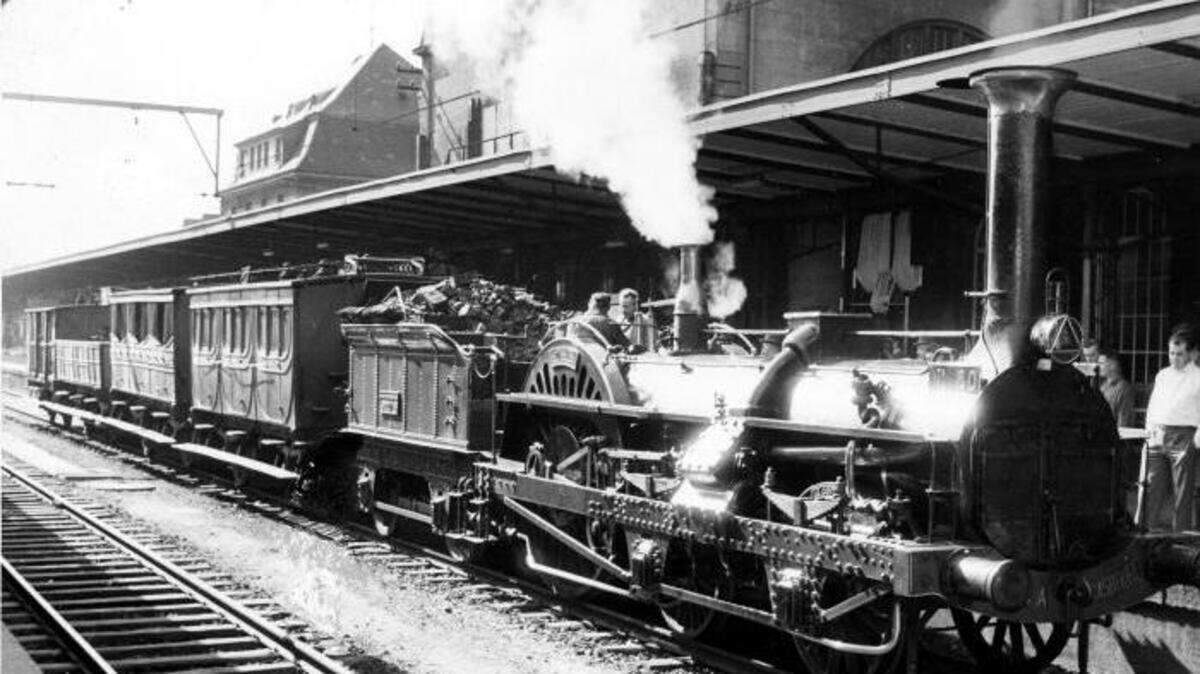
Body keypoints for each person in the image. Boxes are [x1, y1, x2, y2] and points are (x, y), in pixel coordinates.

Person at [1139, 327, 1200, 531]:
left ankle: (1179, 536)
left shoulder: (1198, 377)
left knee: (1182, 492)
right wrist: (1149, 431)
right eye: (1171, 353)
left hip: (1184, 437)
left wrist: (1197, 438)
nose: (1174, 358)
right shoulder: (1163, 375)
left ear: (1191, 354)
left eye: (1180, 354)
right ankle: (1146, 532)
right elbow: (1154, 404)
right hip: (1158, 434)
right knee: (1151, 486)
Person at [1097, 348, 1135, 427]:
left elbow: (1124, 419)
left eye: (1101, 363)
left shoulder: (1124, 388)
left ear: (1113, 365)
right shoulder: (1103, 386)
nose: (1098, 366)